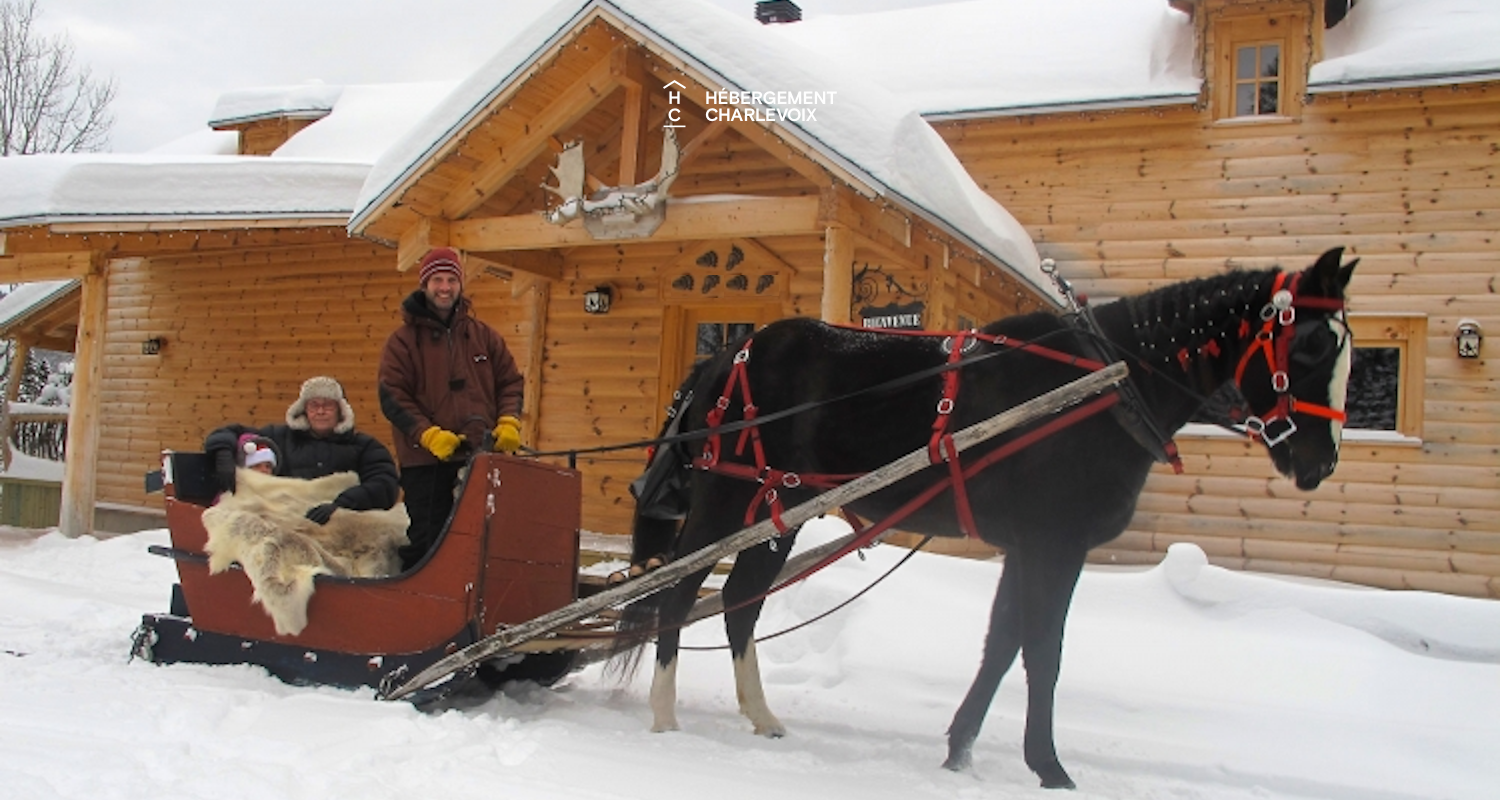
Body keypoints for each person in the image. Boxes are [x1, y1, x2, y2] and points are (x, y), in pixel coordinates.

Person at [379, 246, 525, 569]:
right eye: (437, 280)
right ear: (424, 285)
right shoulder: (403, 342)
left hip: (481, 456)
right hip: (425, 463)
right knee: (429, 544)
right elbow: (392, 395)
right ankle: (417, 612)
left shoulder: (484, 336)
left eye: (451, 280)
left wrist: (509, 422)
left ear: (460, 285)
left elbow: (511, 383)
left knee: (485, 540)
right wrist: (428, 434)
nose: (444, 287)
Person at [205, 376, 400, 524]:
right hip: (286, 522)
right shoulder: (279, 436)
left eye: (328, 405)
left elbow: (385, 484)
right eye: (314, 405)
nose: (320, 411)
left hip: (340, 525)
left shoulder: (364, 446)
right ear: (304, 409)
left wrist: (342, 504)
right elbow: (231, 432)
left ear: (341, 410)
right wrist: (223, 454)